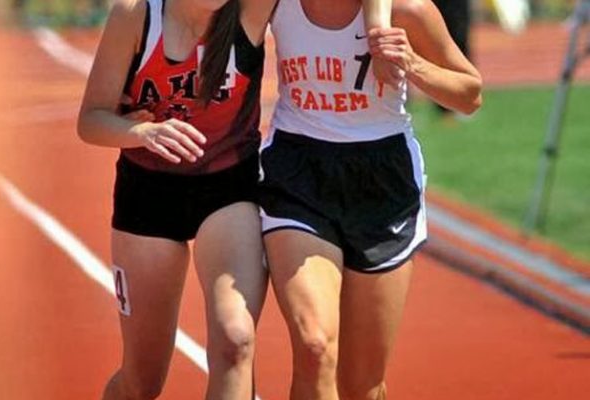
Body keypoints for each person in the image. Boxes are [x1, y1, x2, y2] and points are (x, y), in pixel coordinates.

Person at [257, 0, 482, 399]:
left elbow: (469, 95)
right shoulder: (276, 4)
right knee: (314, 345)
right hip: (297, 174)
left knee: (363, 385)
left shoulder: (408, 11)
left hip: (383, 182)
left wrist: (411, 63)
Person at [77, 0, 275, 399]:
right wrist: (140, 134)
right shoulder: (136, 15)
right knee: (141, 383)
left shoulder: (248, 11)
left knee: (235, 341)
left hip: (228, 188)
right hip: (148, 192)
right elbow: (91, 120)